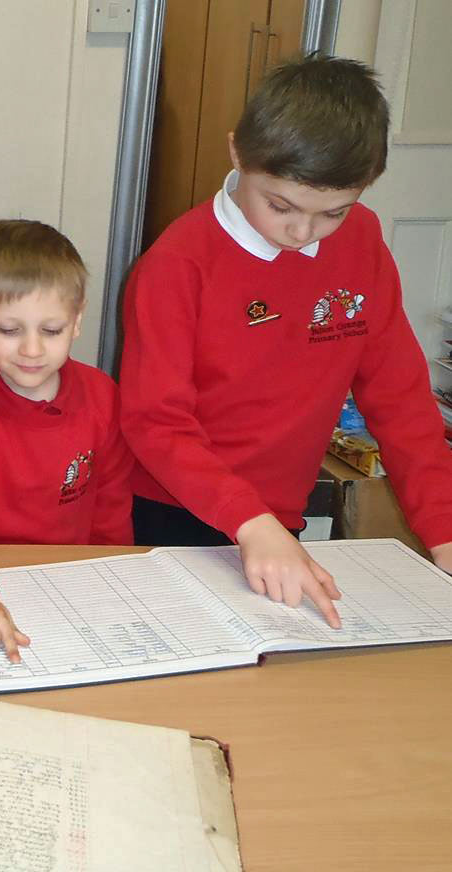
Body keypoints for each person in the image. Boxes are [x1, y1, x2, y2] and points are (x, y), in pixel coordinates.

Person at [121, 54, 452, 629]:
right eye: (281, 206)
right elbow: (156, 422)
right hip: (168, 511)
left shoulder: (364, 242)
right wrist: (251, 522)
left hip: (278, 516)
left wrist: (445, 528)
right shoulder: (177, 265)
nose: (302, 233)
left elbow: (401, 401)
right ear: (236, 153)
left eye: (333, 213)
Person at [0, 220, 132, 662]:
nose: (32, 350)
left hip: (73, 588)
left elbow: (111, 504)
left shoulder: (103, 397)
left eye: (50, 330)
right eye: (10, 331)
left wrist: (114, 575)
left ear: (77, 321)